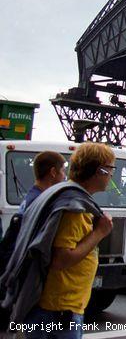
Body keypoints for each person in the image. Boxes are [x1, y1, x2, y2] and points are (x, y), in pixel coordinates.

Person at [0, 143, 115, 339]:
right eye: (111, 169)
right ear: (100, 170)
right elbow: (61, 258)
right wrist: (100, 232)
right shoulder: (75, 209)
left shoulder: (63, 193)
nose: (112, 175)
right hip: (58, 311)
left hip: (52, 307)